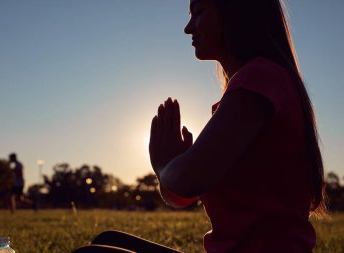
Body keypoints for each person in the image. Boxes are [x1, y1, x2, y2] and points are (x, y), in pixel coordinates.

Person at [72, 0, 326, 252]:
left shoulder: (260, 79)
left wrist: (165, 165)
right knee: (108, 239)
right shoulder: (250, 87)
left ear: (237, 12)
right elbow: (182, 194)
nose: (188, 28)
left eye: (199, 12)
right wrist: (174, 164)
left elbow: (186, 181)